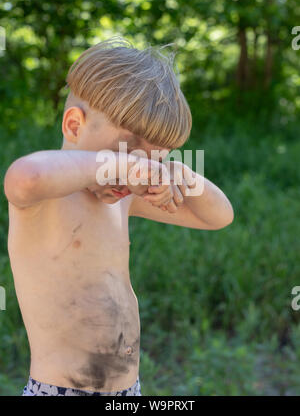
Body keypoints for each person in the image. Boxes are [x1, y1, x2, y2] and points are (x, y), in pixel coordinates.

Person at [4, 36, 234, 396]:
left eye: (153, 159)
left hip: (128, 391)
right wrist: (123, 166)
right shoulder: (46, 196)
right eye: (127, 151)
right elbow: (25, 175)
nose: (137, 170)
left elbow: (219, 216)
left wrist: (179, 174)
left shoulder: (122, 200)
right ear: (75, 126)